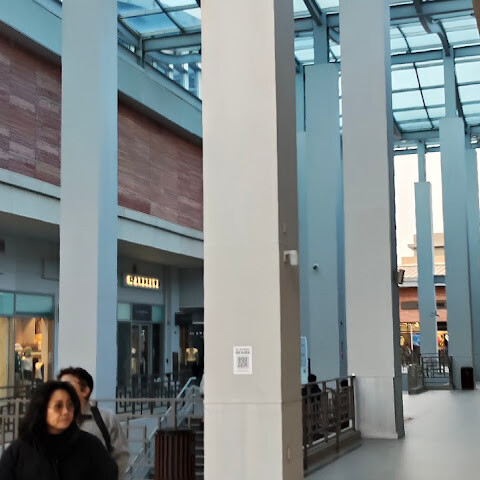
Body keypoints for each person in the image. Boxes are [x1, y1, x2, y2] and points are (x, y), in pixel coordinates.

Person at [0, 380, 118, 480]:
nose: (66, 411)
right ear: (42, 409)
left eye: (70, 405)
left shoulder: (91, 446)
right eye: (58, 406)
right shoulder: (18, 452)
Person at [58, 367, 129, 479]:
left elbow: (121, 455)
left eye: (67, 385)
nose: (62, 390)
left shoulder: (106, 419)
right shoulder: (55, 421)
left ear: (85, 390)